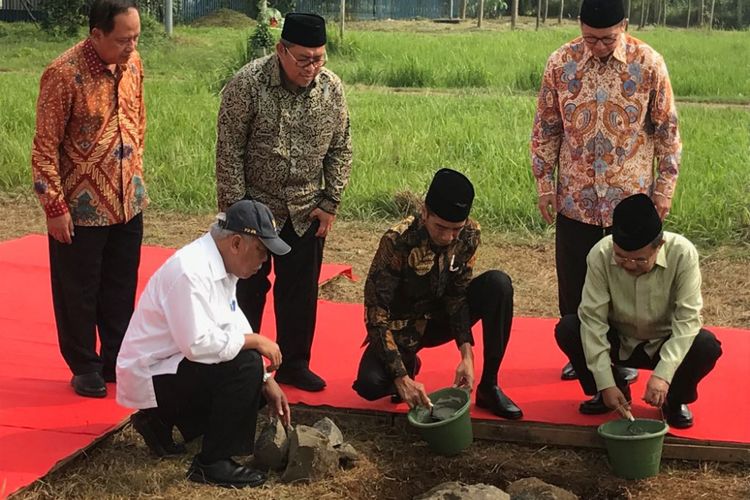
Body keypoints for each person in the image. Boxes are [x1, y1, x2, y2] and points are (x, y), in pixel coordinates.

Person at [530, 0, 682, 382]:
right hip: (575, 198)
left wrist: (664, 190)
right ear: (579, 26)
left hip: (629, 201)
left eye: (606, 39)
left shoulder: (649, 64)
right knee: (576, 282)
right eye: (589, 38)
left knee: (628, 282)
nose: (596, 47)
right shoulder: (560, 64)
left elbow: (668, 135)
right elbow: (546, 130)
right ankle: (580, 352)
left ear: (625, 26)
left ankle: (624, 354)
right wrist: (545, 185)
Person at [215, 12, 353, 392]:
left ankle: (294, 363)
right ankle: (242, 365)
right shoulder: (248, 84)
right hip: (255, 210)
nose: (312, 67)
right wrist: (236, 213)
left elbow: (341, 147)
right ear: (281, 50)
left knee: (300, 290)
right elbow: (228, 151)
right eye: (304, 58)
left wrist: (330, 200)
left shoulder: (331, 89)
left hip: (306, 209)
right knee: (247, 289)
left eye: (319, 58)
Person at [116, 200, 292, 488]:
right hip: (152, 373)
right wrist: (256, 343)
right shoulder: (190, 270)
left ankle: (158, 420)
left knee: (254, 381)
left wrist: (266, 378)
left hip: (171, 367)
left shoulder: (222, 263)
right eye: (262, 252)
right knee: (245, 365)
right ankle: (213, 462)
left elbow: (230, 321)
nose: (264, 263)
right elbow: (197, 345)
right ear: (236, 243)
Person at [31, 0, 147, 398]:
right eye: (122, 39)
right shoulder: (63, 75)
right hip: (79, 208)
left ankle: (117, 357)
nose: (131, 46)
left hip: (127, 198)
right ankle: (84, 365)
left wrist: (135, 176)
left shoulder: (133, 65)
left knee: (120, 284)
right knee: (78, 289)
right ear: (96, 34)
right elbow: (44, 148)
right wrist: (55, 207)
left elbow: (138, 121)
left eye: (135, 37)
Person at [353, 169, 523, 420]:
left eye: (455, 229)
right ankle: (409, 366)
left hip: (441, 320)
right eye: (440, 227)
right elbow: (375, 313)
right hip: (404, 326)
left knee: (499, 285)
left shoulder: (470, 234)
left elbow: (458, 295)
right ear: (424, 212)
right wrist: (400, 377)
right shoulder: (397, 240)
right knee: (370, 384)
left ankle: (489, 386)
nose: (447, 237)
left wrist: (467, 354)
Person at [555, 194, 722, 429]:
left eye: (640, 260)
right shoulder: (600, 254)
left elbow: (687, 319)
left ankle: (673, 400)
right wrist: (605, 383)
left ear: (659, 245)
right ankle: (613, 390)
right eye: (621, 257)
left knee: (706, 345)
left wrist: (663, 375)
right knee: (569, 328)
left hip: (663, 341)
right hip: (619, 339)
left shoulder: (683, 254)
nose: (629, 265)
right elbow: (593, 319)